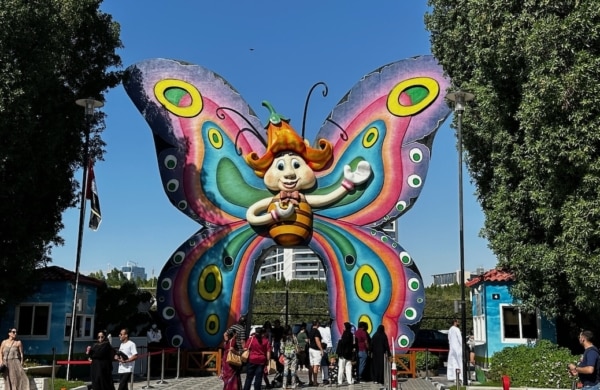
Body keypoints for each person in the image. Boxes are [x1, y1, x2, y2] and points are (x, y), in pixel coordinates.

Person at [307, 320, 324, 387]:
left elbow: (309, 340)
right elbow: (317, 340)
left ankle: (310, 381)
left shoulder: (310, 331)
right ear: (317, 324)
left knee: (311, 365)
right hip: (316, 350)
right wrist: (321, 349)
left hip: (310, 349)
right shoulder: (316, 331)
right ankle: (315, 382)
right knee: (316, 365)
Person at [447, 318, 463, 383]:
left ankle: (453, 376)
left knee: (453, 362)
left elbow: (449, 339)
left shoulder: (450, 329)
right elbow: (460, 338)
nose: (458, 323)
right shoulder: (457, 329)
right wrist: (463, 345)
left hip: (452, 348)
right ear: (455, 322)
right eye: (458, 322)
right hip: (458, 347)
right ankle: (461, 376)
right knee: (460, 362)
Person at [319, 319, 332, 385]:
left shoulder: (320, 329)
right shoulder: (329, 329)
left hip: (324, 347)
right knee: (329, 362)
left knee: (324, 363)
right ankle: (330, 376)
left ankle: (324, 378)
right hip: (330, 346)